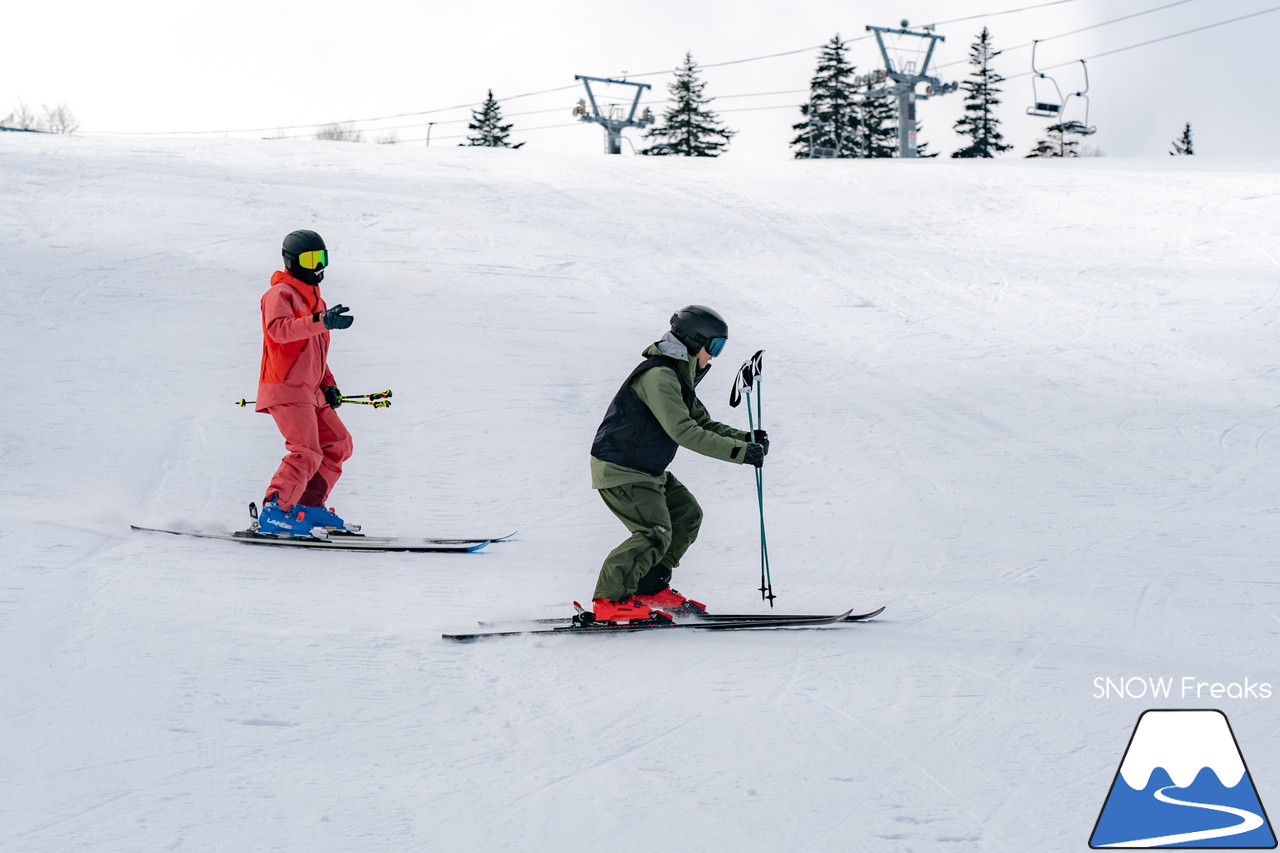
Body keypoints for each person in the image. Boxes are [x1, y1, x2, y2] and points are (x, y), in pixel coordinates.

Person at [588, 305, 768, 622]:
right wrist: (739, 454)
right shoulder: (659, 376)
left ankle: (649, 587)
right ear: (692, 341)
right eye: (714, 346)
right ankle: (609, 600)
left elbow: (702, 423)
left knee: (686, 515)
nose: (714, 356)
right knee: (653, 533)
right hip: (622, 469)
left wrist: (745, 439)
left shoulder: (677, 376)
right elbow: (684, 431)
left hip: (647, 469)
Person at [254, 230, 357, 535]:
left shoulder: (315, 300)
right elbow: (280, 330)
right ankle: (275, 510)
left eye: (321, 258)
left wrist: (329, 384)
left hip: (311, 390)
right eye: (309, 259)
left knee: (338, 444)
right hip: (285, 385)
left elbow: (315, 352)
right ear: (291, 261)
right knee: (306, 451)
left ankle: (308, 507)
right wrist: (321, 321)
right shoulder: (280, 295)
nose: (317, 267)